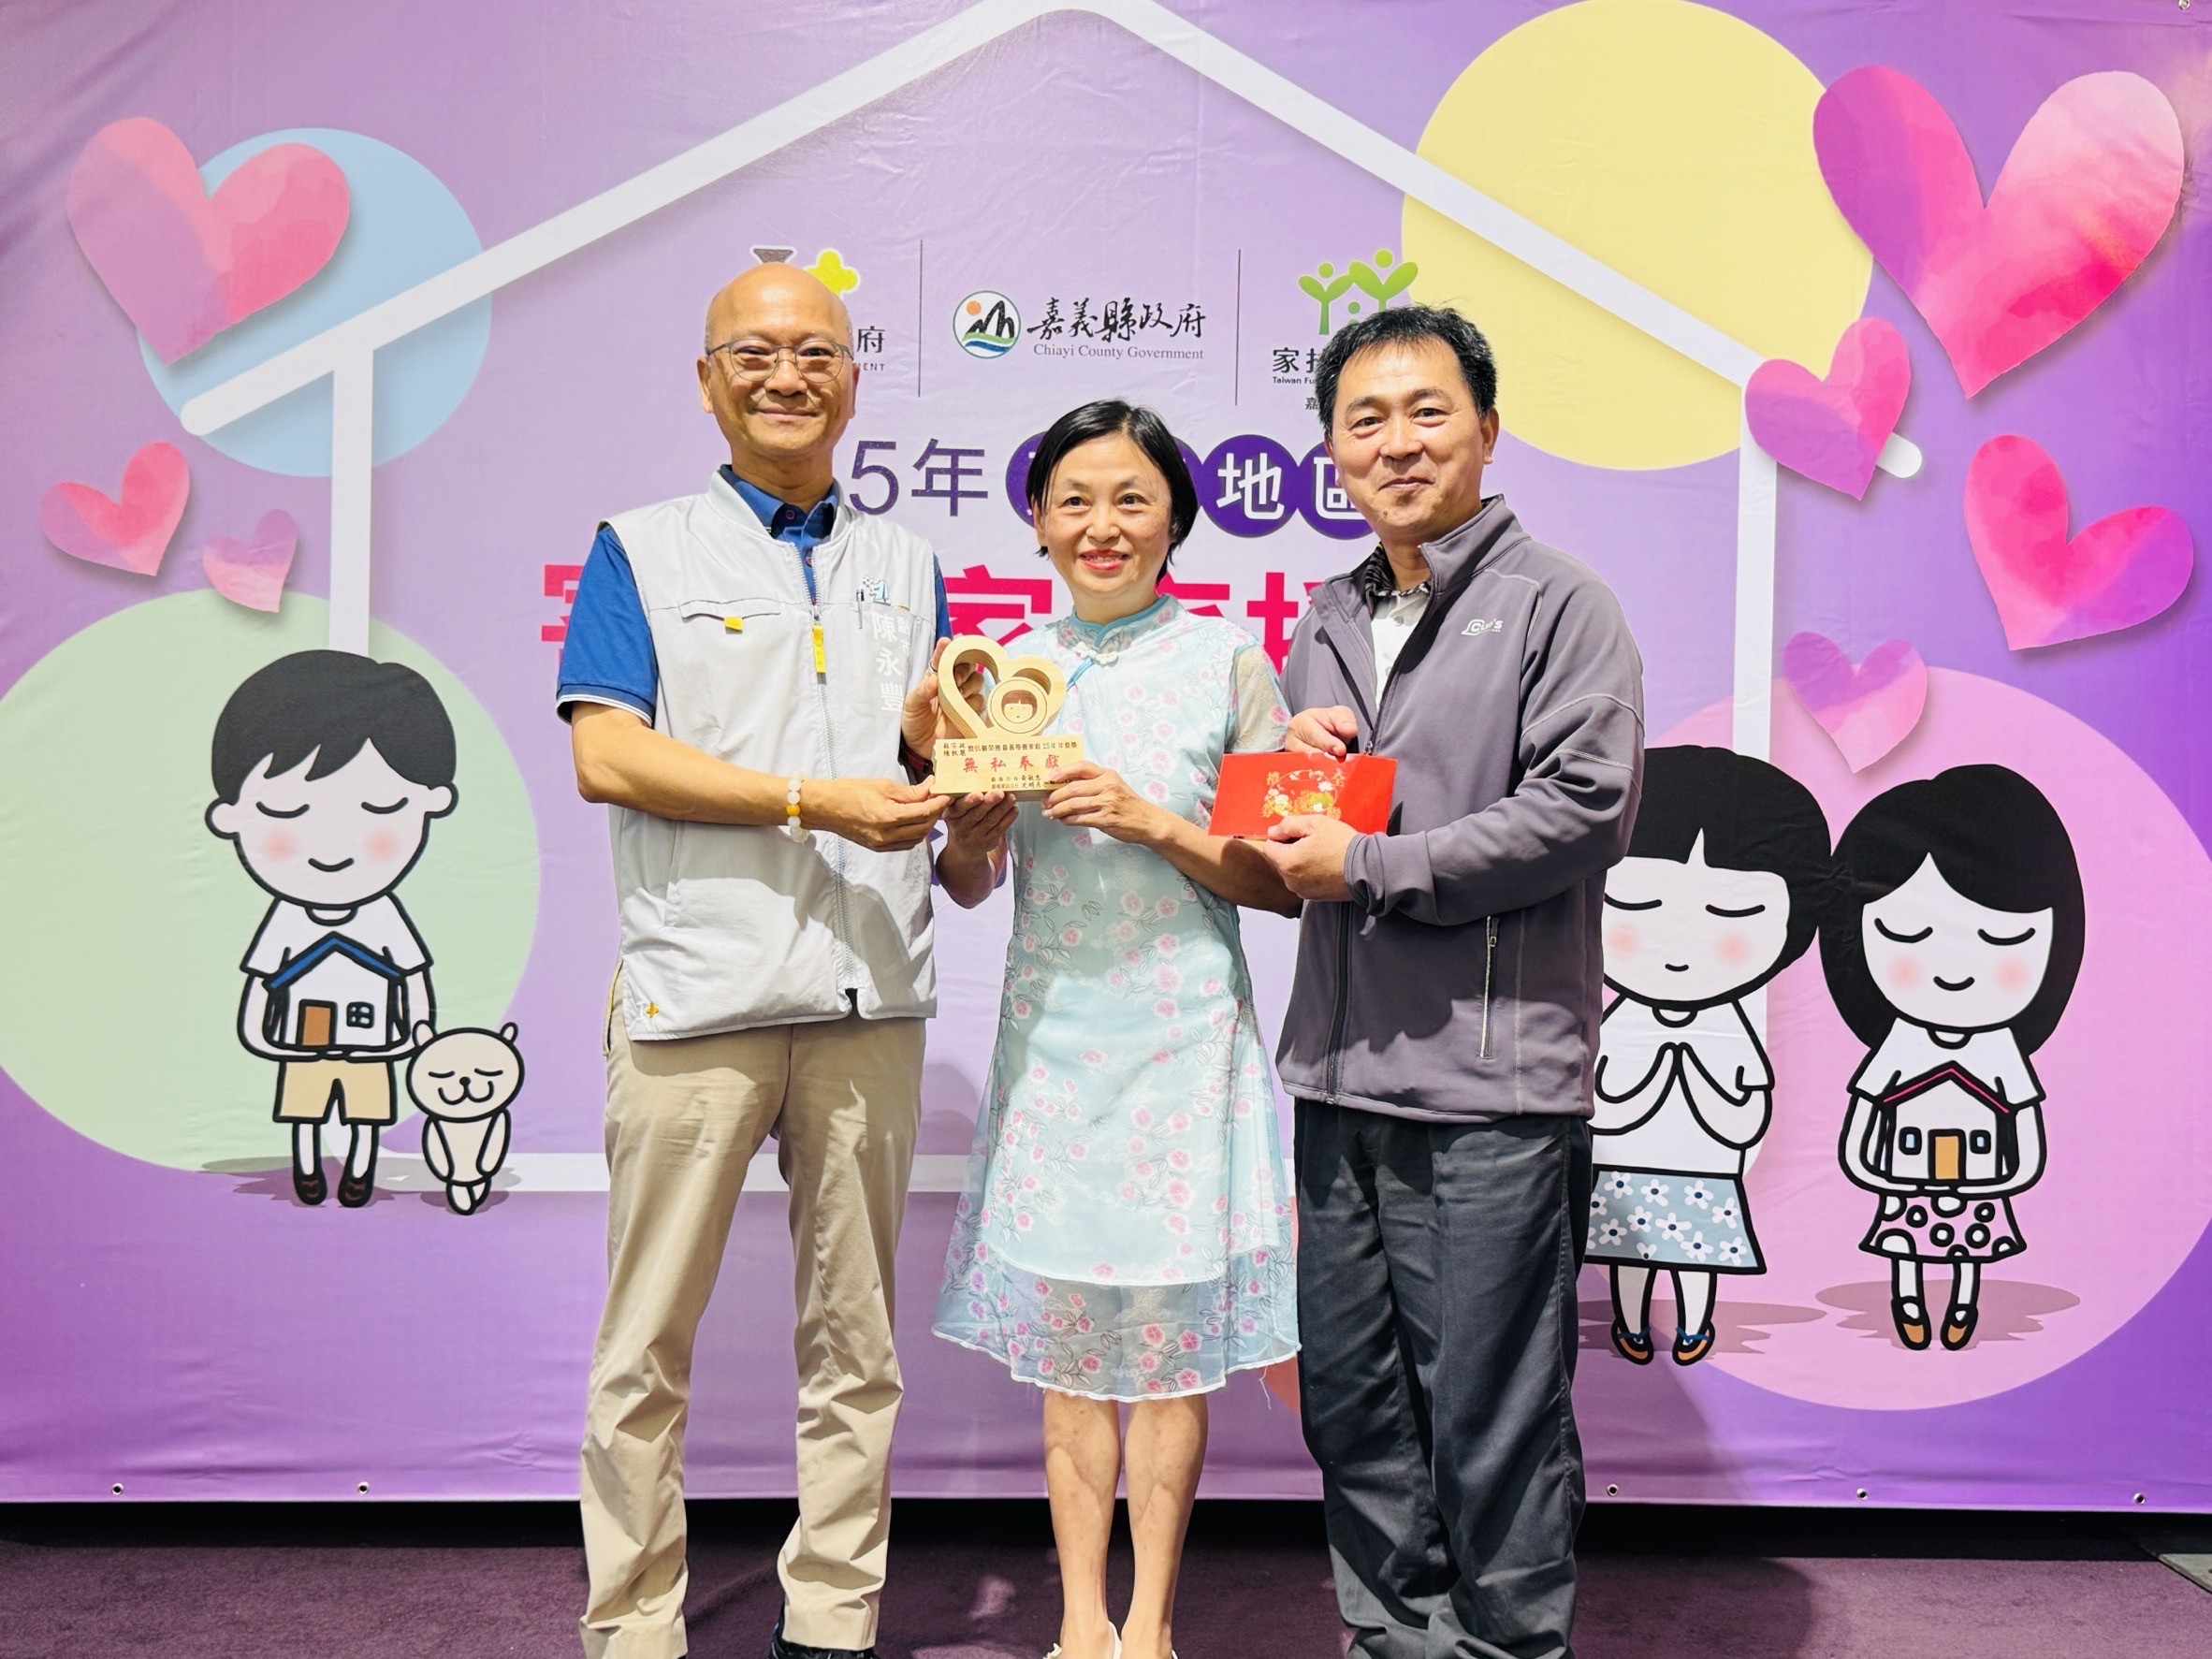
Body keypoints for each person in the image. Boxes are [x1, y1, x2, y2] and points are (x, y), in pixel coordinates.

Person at [560, 261, 962, 1659]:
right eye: (755, 352)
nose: (788, 374)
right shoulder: (641, 548)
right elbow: (608, 753)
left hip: (869, 995)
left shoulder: (908, 565)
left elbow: (931, 767)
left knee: (858, 1343)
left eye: (817, 352)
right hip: (698, 996)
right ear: (706, 379)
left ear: (853, 378)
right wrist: (810, 801)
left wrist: (958, 794)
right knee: (644, 1345)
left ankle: (834, 1615)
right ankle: (634, 1626)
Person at [1253, 304, 1644, 1659]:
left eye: (1429, 412)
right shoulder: (1325, 615)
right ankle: (1393, 1642)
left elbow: (1584, 809)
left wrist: (1370, 862)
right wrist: (1286, 773)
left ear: (1487, 428)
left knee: (1492, 1415)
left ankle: (1507, 1646)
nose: (1398, 443)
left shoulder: (1559, 603)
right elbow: (1293, 839)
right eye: (1365, 420)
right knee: (1354, 1408)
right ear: (1332, 451)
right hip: (1338, 1078)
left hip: (1493, 1092)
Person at [931, 400, 1302, 1659]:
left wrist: (1151, 819)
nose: (1103, 525)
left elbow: (1276, 880)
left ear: (1176, 521)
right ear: (1037, 519)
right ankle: (1080, 1624)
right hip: (1054, 1040)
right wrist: (971, 835)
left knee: (1170, 1352)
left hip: (1187, 1041)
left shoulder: (1232, 664)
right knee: (1073, 1356)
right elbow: (967, 883)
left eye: (1133, 499)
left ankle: (1151, 1628)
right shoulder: (996, 673)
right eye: (1075, 499)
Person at [1820, 764, 2082, 1352]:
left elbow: (2025, 1126)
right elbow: (1865, 1116)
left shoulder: (2000, 1050)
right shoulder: (1899, 1042)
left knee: (1972, 1251)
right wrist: (1875, 1172)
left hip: (1980, 1182)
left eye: (2003, 940)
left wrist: (2010, 1177)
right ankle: (1908, 1303)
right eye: (1908, 937)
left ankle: (1963, 1305)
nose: (1955, 970)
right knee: (1904, 1247)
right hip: (1906, 1178)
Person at [1586, 745, 1831, 1366]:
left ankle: (1695, 1326)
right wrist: (1642, 1093)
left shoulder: (1730, 1026)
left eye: (1731, 914)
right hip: (1625, 1163)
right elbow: (1596, 1102)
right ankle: (1631, 1324)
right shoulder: (1621, 1021)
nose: (1677, 948)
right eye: (1637, 908)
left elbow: (1748, 1112)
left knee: (1699, 1255)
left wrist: (1708, 1099)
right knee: (1627, 1253)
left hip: (1705, 1168)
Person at [205, 650, 457, 1210]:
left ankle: (361, 1173)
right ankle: (308, 1171)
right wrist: (260, 1033)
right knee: (305, 1114)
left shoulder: (383, 914)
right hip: (302, 1048)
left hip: (373, 1047)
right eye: (287, 811)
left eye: (381, 806)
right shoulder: (287, 917)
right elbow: (263, 979)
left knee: (366, 1115)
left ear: (431, 805)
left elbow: (411, 974)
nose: (332, 846)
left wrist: (416, 1030)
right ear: (231, 817)